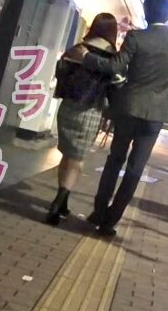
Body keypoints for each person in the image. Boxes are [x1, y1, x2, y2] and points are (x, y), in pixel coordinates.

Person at [67, 0, 168, 236]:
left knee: (115, 160)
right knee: (135, 169)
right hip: (156, 114)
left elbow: (115, 66)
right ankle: (111, 221)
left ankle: (99, 211)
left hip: (129, 108)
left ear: (146, 13)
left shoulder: (137, 38)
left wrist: (86, 57)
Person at [45, 13, 120, 225]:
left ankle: (63, 201)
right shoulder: (112, 58)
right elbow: (117, 86)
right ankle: (57, 203)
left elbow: (60, 72)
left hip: (68, 106)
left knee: (68, 155)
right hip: (91, 110)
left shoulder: (78, 49)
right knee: (76, 159)